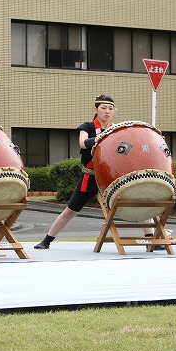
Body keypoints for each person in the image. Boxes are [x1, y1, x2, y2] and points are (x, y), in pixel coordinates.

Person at [35, 95, 134, 249]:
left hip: (110, 176)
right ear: (96, 109)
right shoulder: (87, 127)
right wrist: (104, 136)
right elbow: (83, 143)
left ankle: (150, 236)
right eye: (103, 108)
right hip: (90, 175)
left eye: (110, 108)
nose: (107, 111)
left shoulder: (116, 129)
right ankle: (46, 240)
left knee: (131, 201)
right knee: (70, 210)